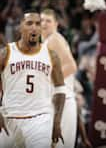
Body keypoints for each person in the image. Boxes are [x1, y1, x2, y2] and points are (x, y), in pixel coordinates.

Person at [0, 9, 65, 148]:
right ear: (20, 27)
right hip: (9, 118)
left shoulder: (51, 55)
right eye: (29, 23)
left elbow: (60, 90)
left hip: (40, 118)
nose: (34, 27)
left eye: (37, 23)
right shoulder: (6, 53)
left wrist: (57, 122)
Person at [41, 9, 92, 148]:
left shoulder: (54, 39)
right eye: (42, 20)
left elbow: (71, 66)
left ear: (56, 24)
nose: (44, 23)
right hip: (60, 101)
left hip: (62, 103)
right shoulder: (46, 42)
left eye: (48, 20)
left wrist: (46, 82)